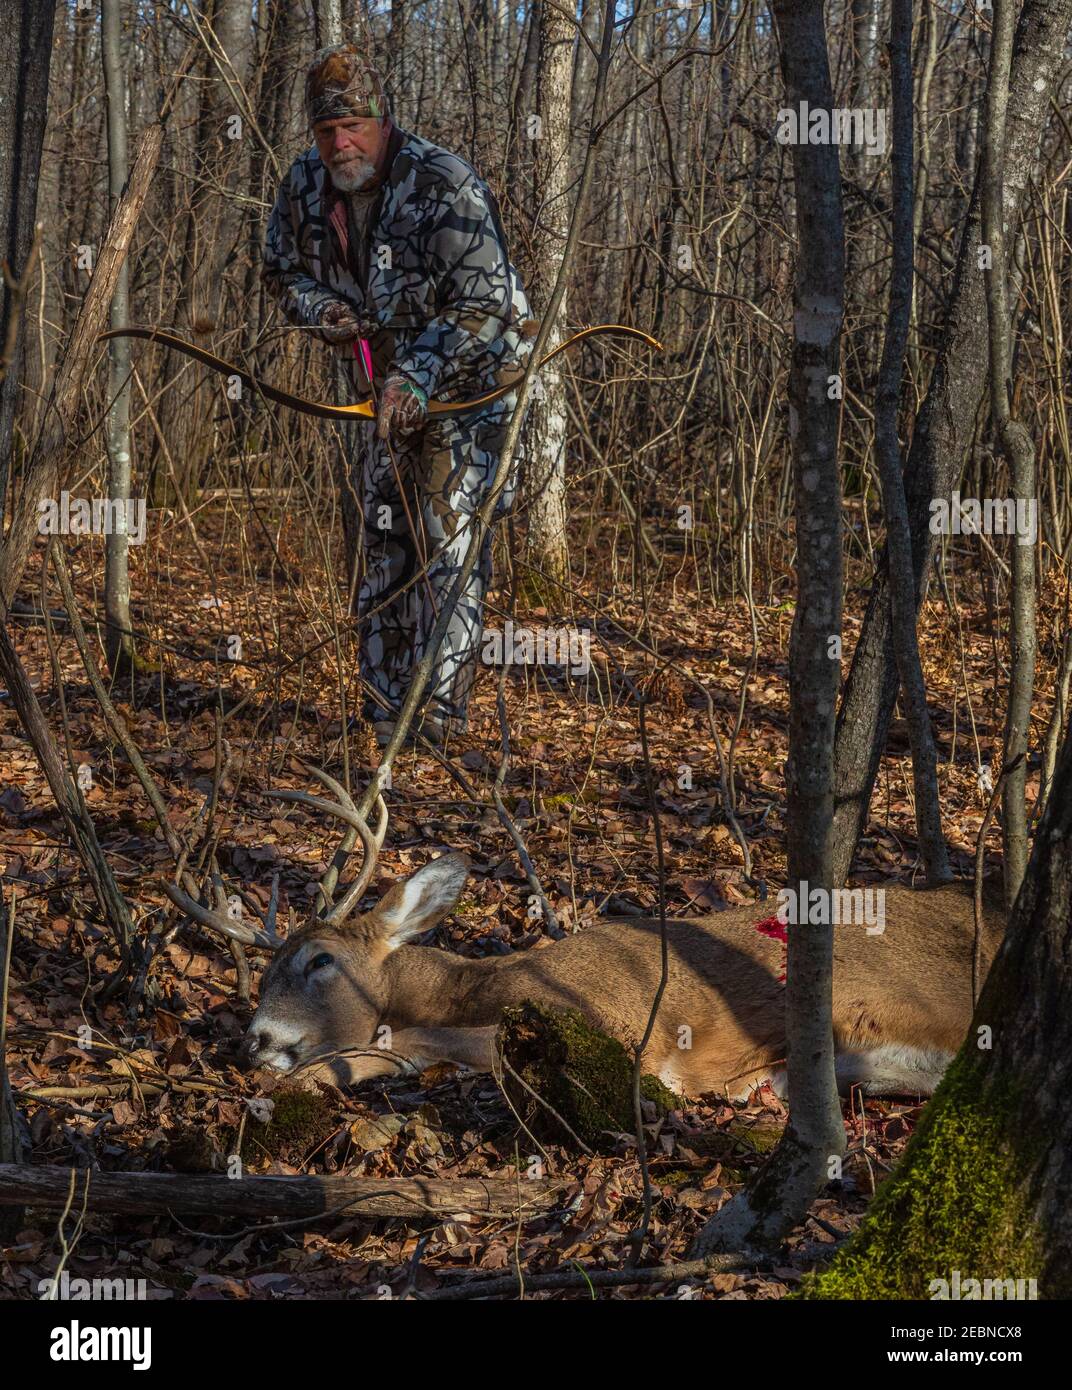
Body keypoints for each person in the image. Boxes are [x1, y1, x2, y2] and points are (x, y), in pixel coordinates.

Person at [262, 42, 534, 746]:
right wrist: (321, 310)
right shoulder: (303, 185)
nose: (340, 142)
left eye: (353, 125)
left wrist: (419, 375)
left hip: (467, 394)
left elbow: (487, 302)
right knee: (383, 538)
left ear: (381, 119)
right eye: (326, 131)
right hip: (378, 396)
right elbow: (279, 268)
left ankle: (439, 718)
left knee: (448, 545)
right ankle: (383, 715)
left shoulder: (444, 181)